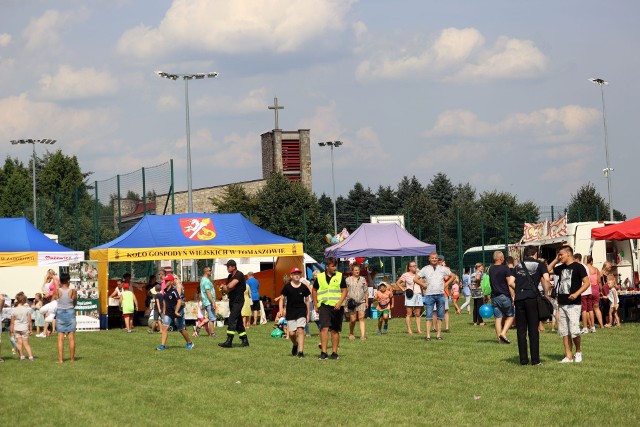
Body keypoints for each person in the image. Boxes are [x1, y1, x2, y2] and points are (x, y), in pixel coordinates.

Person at [548, 246, 591, 363]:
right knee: (564, 331)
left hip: (574, 304)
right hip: (561, 303)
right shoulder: (560, 267)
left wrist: (576, 294)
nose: (560, 257)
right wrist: (556, 260)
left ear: (568, 254)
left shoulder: (579, 267)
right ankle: (568, 356)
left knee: (574, 330)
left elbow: (587, 283)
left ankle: (578, 351)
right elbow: (548, 270)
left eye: (561, 255)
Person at [513, 246, 551, 366]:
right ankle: (535, 360)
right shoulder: (539, 264)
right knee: (533, 330)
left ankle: (523, 360)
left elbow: (510, 282)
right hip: (532, 298)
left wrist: (519, 290)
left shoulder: (518, 266)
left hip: (519, 299)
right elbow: (546, 279)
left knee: (521, 330)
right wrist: (546, 294)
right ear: (535, 254)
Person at [312, 257, 347, 360]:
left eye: (335, 265)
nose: (335, 268)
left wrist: (340, 302)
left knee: (335, 330)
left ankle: (334, 353)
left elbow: (344, 290)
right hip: (324, 306)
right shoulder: (320, 277)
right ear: (327, 267)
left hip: (337, 307)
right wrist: (315, 303)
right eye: (332, 266)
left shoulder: (340, 276)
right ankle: (323, 352)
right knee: (324, 328)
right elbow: (314, 290)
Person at [419, 252, 453, 341]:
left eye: (436, 258)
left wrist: (446, 285)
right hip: (429, 295)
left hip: (440, 294)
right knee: (429, 315)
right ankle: (428, 336)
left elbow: (453, 276)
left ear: (438, 259)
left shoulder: (442, 268)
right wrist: (423, 284)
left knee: (440, 315)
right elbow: (415, 278)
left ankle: (438, 334)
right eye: (432, 258)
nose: (434, 259)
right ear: (429, 259)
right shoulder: (425, 269)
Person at [279, 267, 311, 358]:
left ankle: (301, 352)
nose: (297, 275)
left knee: (300, 330)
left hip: (301, 311)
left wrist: (308, 314)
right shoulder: (287, 287)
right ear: (291, 276)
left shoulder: (304, 287)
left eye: (298, 274)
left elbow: (307, 300)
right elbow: (281, 299)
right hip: (291, 311)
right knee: (292, 333)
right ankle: (295, 344)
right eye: (295, 274)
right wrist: (281, 309)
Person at [156, 274, 194, 351]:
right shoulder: (165, 291)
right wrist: (164, 311)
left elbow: (179, 301)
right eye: (165, 281)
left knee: (181, 329)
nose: (165, 282)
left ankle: (189, 343)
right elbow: (164, 301)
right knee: (165, 328)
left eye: (167, 281)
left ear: (171, 282)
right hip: (169, 312)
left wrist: (176, 311)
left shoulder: (174, 291)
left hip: (178, 311)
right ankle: (162, 346)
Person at [218, 260, 249, 348]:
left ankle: (229, 341)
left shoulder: (239, 274)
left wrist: (225, 286)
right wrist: (226, 287)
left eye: (228, 266)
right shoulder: (230, 276)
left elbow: (230, 286)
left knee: (232, 319)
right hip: (232, 300)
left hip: (238, 300)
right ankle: (245, 340)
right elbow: (227, 289)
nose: (227, 268)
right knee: (238, 321)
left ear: (233, 267)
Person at [489, 251, 516, 344]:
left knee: (498, 318)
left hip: (494, 297)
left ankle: (499, 339)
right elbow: (509, 283)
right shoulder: (505, 268)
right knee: (511, 315)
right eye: (503, 257)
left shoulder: (491, 268)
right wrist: (513, 296)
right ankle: (503, 333)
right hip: (504, 296)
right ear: (500, 258)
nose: (504, 259)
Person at [396, 261, 426, 335]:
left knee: (418, 314)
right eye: (413, 266)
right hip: (410, 295)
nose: (415, 267)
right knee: (409, 314)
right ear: (409, 267)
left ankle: (419, 330)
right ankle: (409, 330)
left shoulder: (418, 274)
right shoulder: (405, 275)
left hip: (418, 294)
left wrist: (422, 293)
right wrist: (403, 289)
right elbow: (398, 282)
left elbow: (423, 282)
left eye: (415, 265)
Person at [54, 273, 77, 363]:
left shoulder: (57, 291)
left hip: (60, 313)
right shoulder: (73, 291)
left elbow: (53, 299)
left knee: (60, 338)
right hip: (70, 312)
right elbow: (75, 302)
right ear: (68, 281)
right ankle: (72, 359)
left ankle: (60, 360)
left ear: (60, 281)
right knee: (71, 338)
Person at [346, 264, 369, 340]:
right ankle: (351, 333)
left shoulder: (363, 279)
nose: (357, 271)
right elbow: (344, 291)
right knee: (353, 319)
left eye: (358, 270)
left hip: (361, 302)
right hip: (351, 302)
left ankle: (362, 335)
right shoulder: (347, 280)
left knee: (361, 318)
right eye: (355, 270)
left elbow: (366, 291)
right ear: (352, 271)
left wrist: (366, 302)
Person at [10, 292, 34, 361]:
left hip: (17, 328)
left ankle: (21, 356)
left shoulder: (14, 310)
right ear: (24, 301)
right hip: (25, 328)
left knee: (19, 343)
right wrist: (31, 329)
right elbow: (29, 321)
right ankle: (30, 357)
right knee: (26, 343)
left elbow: (12, 322)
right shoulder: (27, 310)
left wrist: (11, 331)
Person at [574, 253, 594, 335]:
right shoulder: (586, 266)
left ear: (577, 259)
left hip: (583, 291)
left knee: (584, 310)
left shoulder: (579, 267)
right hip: (589, 290)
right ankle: (593, 327)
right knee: (590, 309)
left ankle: (585, 327)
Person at [585, 255, 604, 330]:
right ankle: (601, 325)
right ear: (592, 261)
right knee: (597, 308)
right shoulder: (596, 270)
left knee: (588, 309)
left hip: (588, 290)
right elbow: (599, 282)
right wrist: (601, 291)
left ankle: (590, 325)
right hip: (596, 290)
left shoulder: (584, 269)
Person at [199, 266, 217, 337]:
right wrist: (212, 302)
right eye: (209, 270)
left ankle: (199, 327)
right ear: (206, 271)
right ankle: (212, 333)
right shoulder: (206, 281)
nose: (210, 272)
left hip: (206, 301)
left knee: (210, 317)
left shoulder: (203, 280)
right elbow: (208, 292)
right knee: (212, 318)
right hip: (209, 301)